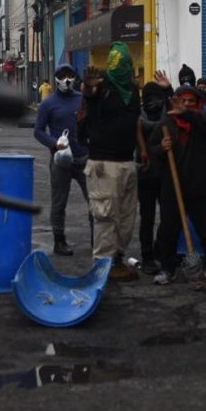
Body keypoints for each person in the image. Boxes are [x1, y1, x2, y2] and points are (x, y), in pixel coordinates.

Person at [78, 42, 148, 281]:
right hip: (103, 164)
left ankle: (117, 260)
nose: (117, 67)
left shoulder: (131, 90)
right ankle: (102, 266)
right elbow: (89, 93)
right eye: (113, 63)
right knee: (105, 217)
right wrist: (88, 86)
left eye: (122, 63)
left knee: (126, 218)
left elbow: (136, 122)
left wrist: (143, 149)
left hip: (127, 162)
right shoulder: (102, 86)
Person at [150, 85, 206, 285]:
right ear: (177, 102)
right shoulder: (166, 124)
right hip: (172, 187)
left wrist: (187, 113)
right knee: (168, 232)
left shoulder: (203, 122)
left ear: (198, 103)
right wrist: (161, 148)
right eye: (184, 101)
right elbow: (151, 149)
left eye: (192, 101)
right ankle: (167, 269)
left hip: (201, 186)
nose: (188, 105)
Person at [34, 63, 90, 256]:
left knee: (95, 202)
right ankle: (59, 241)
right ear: (56, 78)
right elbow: (38, 131)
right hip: (60, 160)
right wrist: (53, 143)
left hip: (84, 158)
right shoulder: (48, 104)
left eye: (70, 75)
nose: (66, 79)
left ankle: (96, 240)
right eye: (62, 75)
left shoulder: (83, 100)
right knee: (59, 203)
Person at [137, 71, 173, 275]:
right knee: (148, 217)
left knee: (167, 217)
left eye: (157, 98)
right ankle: (148, 256)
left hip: (164, 173)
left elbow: (178, 105)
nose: (154, 102)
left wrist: (168, 88)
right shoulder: (139, 119)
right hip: (147, 173)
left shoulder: (165, 114)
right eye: (150, 98)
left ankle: (158, 251)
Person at [178, 64, 206, 136]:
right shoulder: (177, 95)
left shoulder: (204, 95)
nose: (187, 103)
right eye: (183, 79)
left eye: (188, 78)